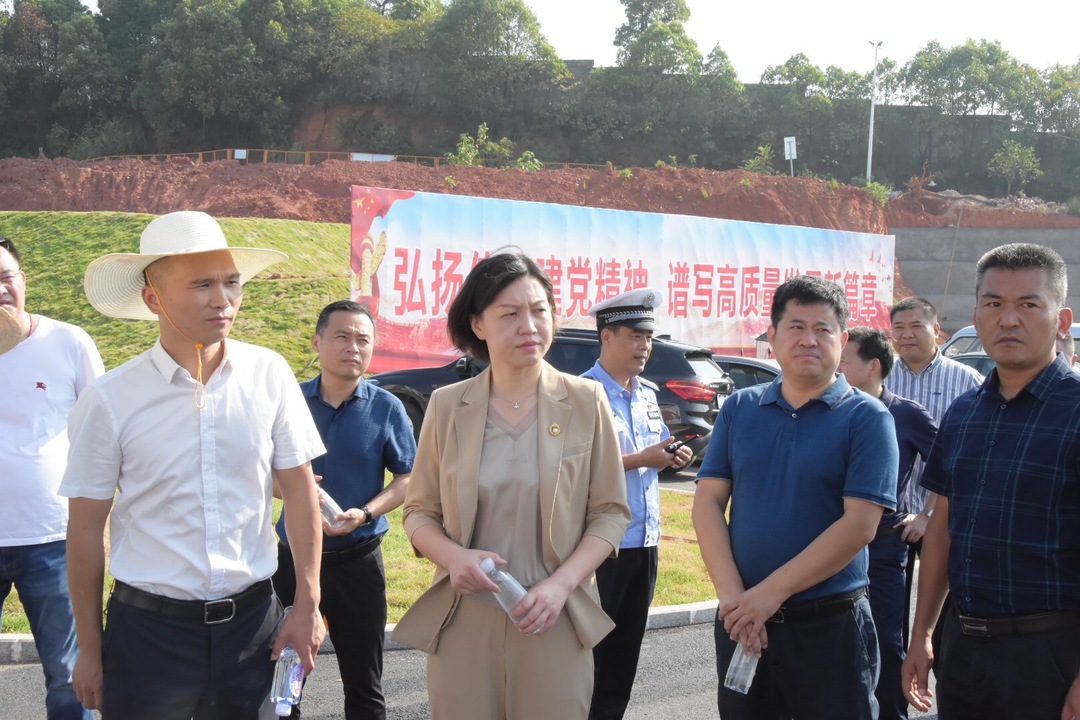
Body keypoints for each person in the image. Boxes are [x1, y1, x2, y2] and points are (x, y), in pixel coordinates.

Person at [60, 211, 327, 719]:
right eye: (202, 284)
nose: (223, 299)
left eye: (231, 282)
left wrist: (307, 604)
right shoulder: (110, 399)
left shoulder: (268, 373)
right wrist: (90, 650)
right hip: (148, 637)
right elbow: (86, 528)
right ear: (152, 298)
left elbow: (298, 492)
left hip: (254, 627)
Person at [392, 250, 630, 720]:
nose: (529, 325)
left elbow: (611, 513)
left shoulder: (586, 400)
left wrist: (561, 586)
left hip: (553, 617)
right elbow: (419, 512)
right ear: (478, 324)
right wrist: (452, 557)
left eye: (540, 310)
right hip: (465, 617)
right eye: (511, 313)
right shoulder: (445, 405)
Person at [692, 274, 898, 720]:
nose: (809, 339)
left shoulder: (867, 418)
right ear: (772, 336)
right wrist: (734, 599)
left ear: (842, 340)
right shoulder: (740, 408)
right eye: (796, 326)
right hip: (743, 622)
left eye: (823, 329)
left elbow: (860, 525)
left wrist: (769, 595)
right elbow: (708, 501)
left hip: (829, 629)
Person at [902, 243, 1080, 720]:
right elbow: (942, 526)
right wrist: (922, 634)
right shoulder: (964, 413)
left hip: (1051, 655)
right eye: (994, 304)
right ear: (976, 316)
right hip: (964, 650)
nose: (1008, 319)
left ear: (1061, 321)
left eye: (1028, 305)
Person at [273, 299, 416, 720]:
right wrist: (292, 491)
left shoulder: (386, 407)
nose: (353, 347)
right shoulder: (291, 402)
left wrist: (366, 513)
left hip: (359, 562)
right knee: (285, 679)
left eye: (363, 339)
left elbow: (409, 479)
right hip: (294, 561)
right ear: (317, 342)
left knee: (364, 683)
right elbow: (261, 470)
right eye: (342, 336)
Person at [0, 237, 101, 720]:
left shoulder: (68, 342)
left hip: (54, 539)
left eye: (5, 277)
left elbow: (102, 432)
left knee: (69, 676)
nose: (0, 291)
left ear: (23, 281)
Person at [581, 288, 693, 720]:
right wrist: (641, 460)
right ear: (607, 337)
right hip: (601, 544)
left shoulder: (646, 393)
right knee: (591, 650)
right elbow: (577, 468)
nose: (645, 346)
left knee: (626, 649)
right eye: (635, 335)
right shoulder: (583, 393)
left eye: (649, 337)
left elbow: (654, 448)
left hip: (645, 540)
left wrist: (671, 454)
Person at [839, 326, 938, 720]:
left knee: (884, 638)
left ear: (873, 367)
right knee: (836, 643)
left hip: (882, 546)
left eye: (844, 363)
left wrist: (927, 514)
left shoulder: (906, 414)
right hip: (831, 545)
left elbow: (950, 468)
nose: (836, 369)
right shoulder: (832, 408)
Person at [885, 296, 982, 644]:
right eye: (899, 327)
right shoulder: (879, 376)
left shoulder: (968, 381)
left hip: (942, 516)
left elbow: (971, 456)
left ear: (937, 331)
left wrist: (928, 512)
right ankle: (892, 693)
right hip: (888, 519)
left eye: (916, 326)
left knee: (944, 620)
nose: (906, 335)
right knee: (886, 619)